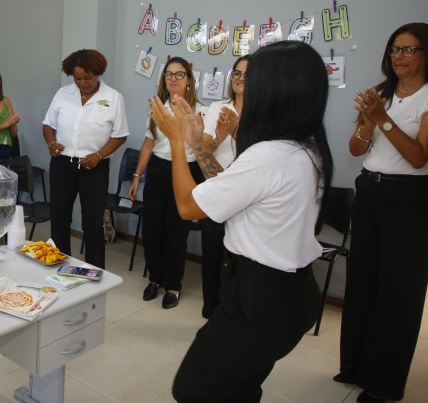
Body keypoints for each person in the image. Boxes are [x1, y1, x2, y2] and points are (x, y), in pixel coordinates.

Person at [152, 40, 332, 403]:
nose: (246, 86)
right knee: (240, 388)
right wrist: (197, 142)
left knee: (193, 389)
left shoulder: (271, 155)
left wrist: (175, 142)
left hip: (260, 297)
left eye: (255, 79)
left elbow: (188, 206)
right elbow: (226, 182)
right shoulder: (307, 145)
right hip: (289, 294)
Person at [336, 22, 428, 403]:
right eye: (395, 49)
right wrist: (366, 124)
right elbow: (355, 149)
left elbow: (418, 157)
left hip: (409, 200)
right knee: (362, 282)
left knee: (399, 294)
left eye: (409, 49)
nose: (399, 56)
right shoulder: (382, 94)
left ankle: (382, 383)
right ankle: (354, 366)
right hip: (370, 193)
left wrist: (383, 119)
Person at [127, 57, 206, 309]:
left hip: (186, 172)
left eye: (179, 74)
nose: (173, 78)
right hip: (158, 171)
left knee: (175, 234)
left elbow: (203, 149)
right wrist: (137, 176)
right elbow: (149, 143)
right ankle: (155, 278)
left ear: (189, 81)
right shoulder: (157, 109)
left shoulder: (200, 111)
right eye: (169, 74)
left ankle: (173, 285)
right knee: (151, 231)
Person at [42, 49, 128, 269]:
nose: (82, 83)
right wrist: (51, 143)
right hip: (62, 164)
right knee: (60, 218)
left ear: (97, 73)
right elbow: (48, 124)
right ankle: (60, 267)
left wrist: (99, 155)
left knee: (92, 222)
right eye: (77, 78)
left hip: (94, 167)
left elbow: (120, 135)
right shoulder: (63, 94)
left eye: (87, 78)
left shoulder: (113, 98)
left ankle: (95, 271)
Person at [196, 54, 248, 318]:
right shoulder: (218, 107)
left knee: (239, 259)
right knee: (213, 254)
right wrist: (221, 135)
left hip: (248, 196)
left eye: (247, 74)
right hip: (217, 187)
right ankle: (210, 311)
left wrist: (237, 131)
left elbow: (259, 151)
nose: (240, 78)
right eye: (237, 73)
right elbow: (205, 148)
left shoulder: (265, 111)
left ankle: (234, 313)